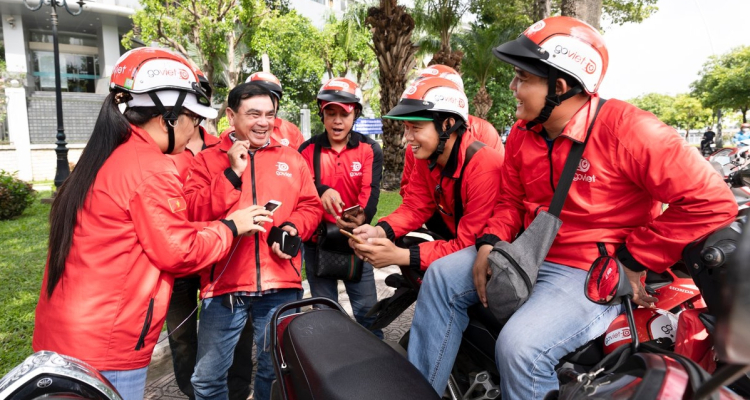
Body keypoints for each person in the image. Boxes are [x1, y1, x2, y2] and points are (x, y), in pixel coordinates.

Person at [405, 16, 738, 399]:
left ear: (560, 87)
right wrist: (489, 242)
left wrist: (633, 259)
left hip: (589, 271)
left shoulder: (629, 130)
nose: (512, 88)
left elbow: (711, 202)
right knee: (441, 276)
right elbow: (510, 201)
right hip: (529, 253)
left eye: (522, 78)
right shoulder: (523, 134)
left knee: (520, 348)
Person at [32, 47, 269, 400]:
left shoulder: (111, 154)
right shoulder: (150, 167)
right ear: (167, 118)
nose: (195, 129)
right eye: (193, 118)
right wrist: (231, 227)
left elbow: (166, 226)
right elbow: (179, 251)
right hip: (106, 343)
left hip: (68, 334)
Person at [183, 82, 323, 400]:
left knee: (275, 373)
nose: (264, 122)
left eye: (270, 115)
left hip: (280, 284)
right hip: (224, 287)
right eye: (254, 114)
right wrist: (232, 173)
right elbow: (191, 211)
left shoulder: (292, 158)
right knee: (207, 379)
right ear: (231, 116)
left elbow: (311, 206)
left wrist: (293, 227)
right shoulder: (207, 160)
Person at [350, 76, 505, 274]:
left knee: (434, 282)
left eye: (415, 127)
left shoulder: (484, 167)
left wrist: (402, 256)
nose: (407, 138)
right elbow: (414, 206)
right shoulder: (429, 158)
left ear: (447, 124)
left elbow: (468, 246)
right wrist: (379, 231)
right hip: (459, 246)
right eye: (406, 128)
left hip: (488, 261)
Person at [166, 70, 255, 400]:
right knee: (181, 334)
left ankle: (236, 389)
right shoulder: (159, 148)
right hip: (175, 255)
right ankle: (194, 391)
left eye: (199, 97)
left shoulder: (223, 148)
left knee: (232, 326)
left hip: (217, 253)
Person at [298, 77, 384, 337]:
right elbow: (303, 188)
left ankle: (375, 356)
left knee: (368, 313)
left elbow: (370, 191)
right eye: (330, 113)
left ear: (355, 114)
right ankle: (332, 356)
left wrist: (362, 218)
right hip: (318, 243)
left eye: (344, 114)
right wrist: (322, 190)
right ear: (322, 114)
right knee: (326, 313)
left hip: (355, 241)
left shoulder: (369, 148)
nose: (337, 121)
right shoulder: (307, 150)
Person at [400, 65, 505, 240]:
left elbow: (495, 188)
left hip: (477, 223)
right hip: (438, 217)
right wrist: (385, 228)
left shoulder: (484, 134)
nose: (408, 137)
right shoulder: (421, 147)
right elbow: (410, 193)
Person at [246, 71, 305, 149]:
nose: (264, 103)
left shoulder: (291, 131)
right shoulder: (235, 132)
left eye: (271, 99)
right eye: (258, 97)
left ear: (277, 105)